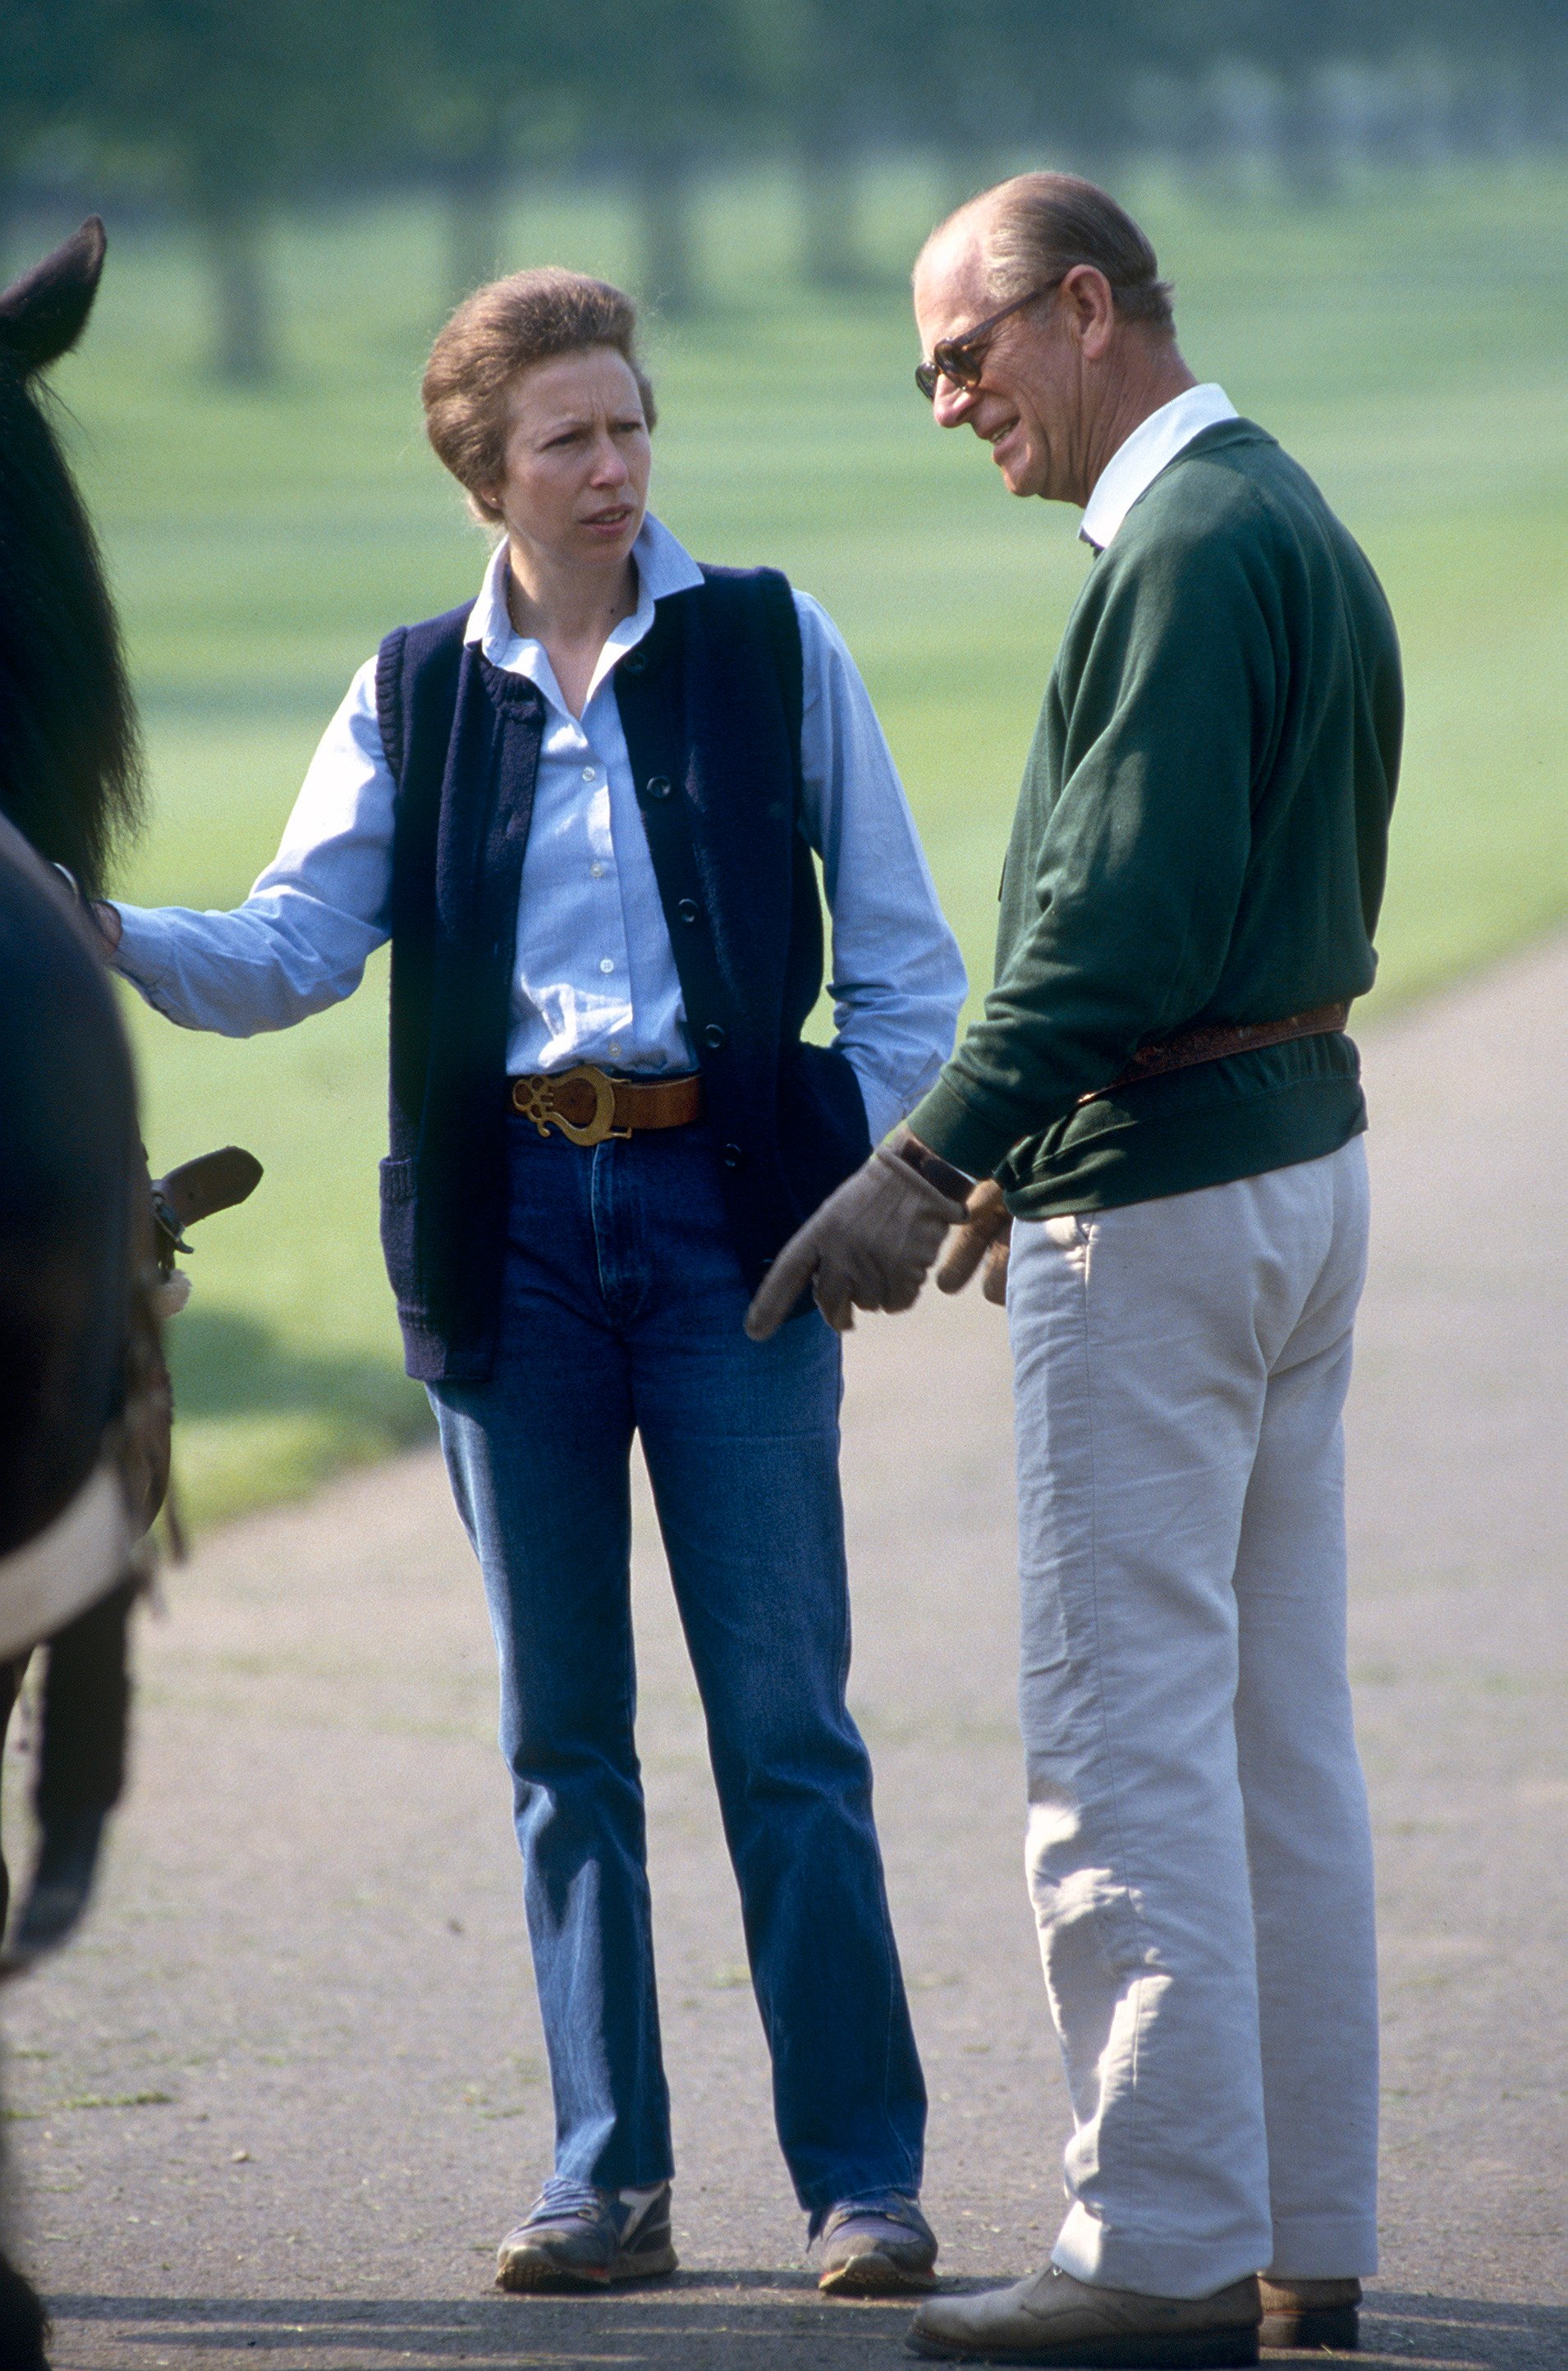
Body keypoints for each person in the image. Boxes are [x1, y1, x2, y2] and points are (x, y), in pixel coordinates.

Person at [98, 267, 967, 2298]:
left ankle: (864, 2179)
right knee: (561, 1733)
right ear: (481, 471)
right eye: (568, 437)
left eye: (632, 420)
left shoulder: (769, 639)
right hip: (511, 1250)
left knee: (784, 1723)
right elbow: (292, 951)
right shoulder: (413, 690)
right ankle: (609, 2178)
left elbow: (906, 962)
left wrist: (889, 1181)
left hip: (732, 1237)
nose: (615, 464)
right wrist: (76, 914)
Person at [748, 174, 1402, 2367]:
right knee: (1267, 1741)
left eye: (964, 354)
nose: (945, 402)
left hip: (1179, 1209)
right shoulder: (1274, 511)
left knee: (1123, 1745)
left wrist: (921, 1160)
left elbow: (1104, 936)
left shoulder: (1195, 548)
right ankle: (1300, 2227)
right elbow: (1209, 923)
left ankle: (1153, 2244)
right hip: (1287, 1168)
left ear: (1088, 308)